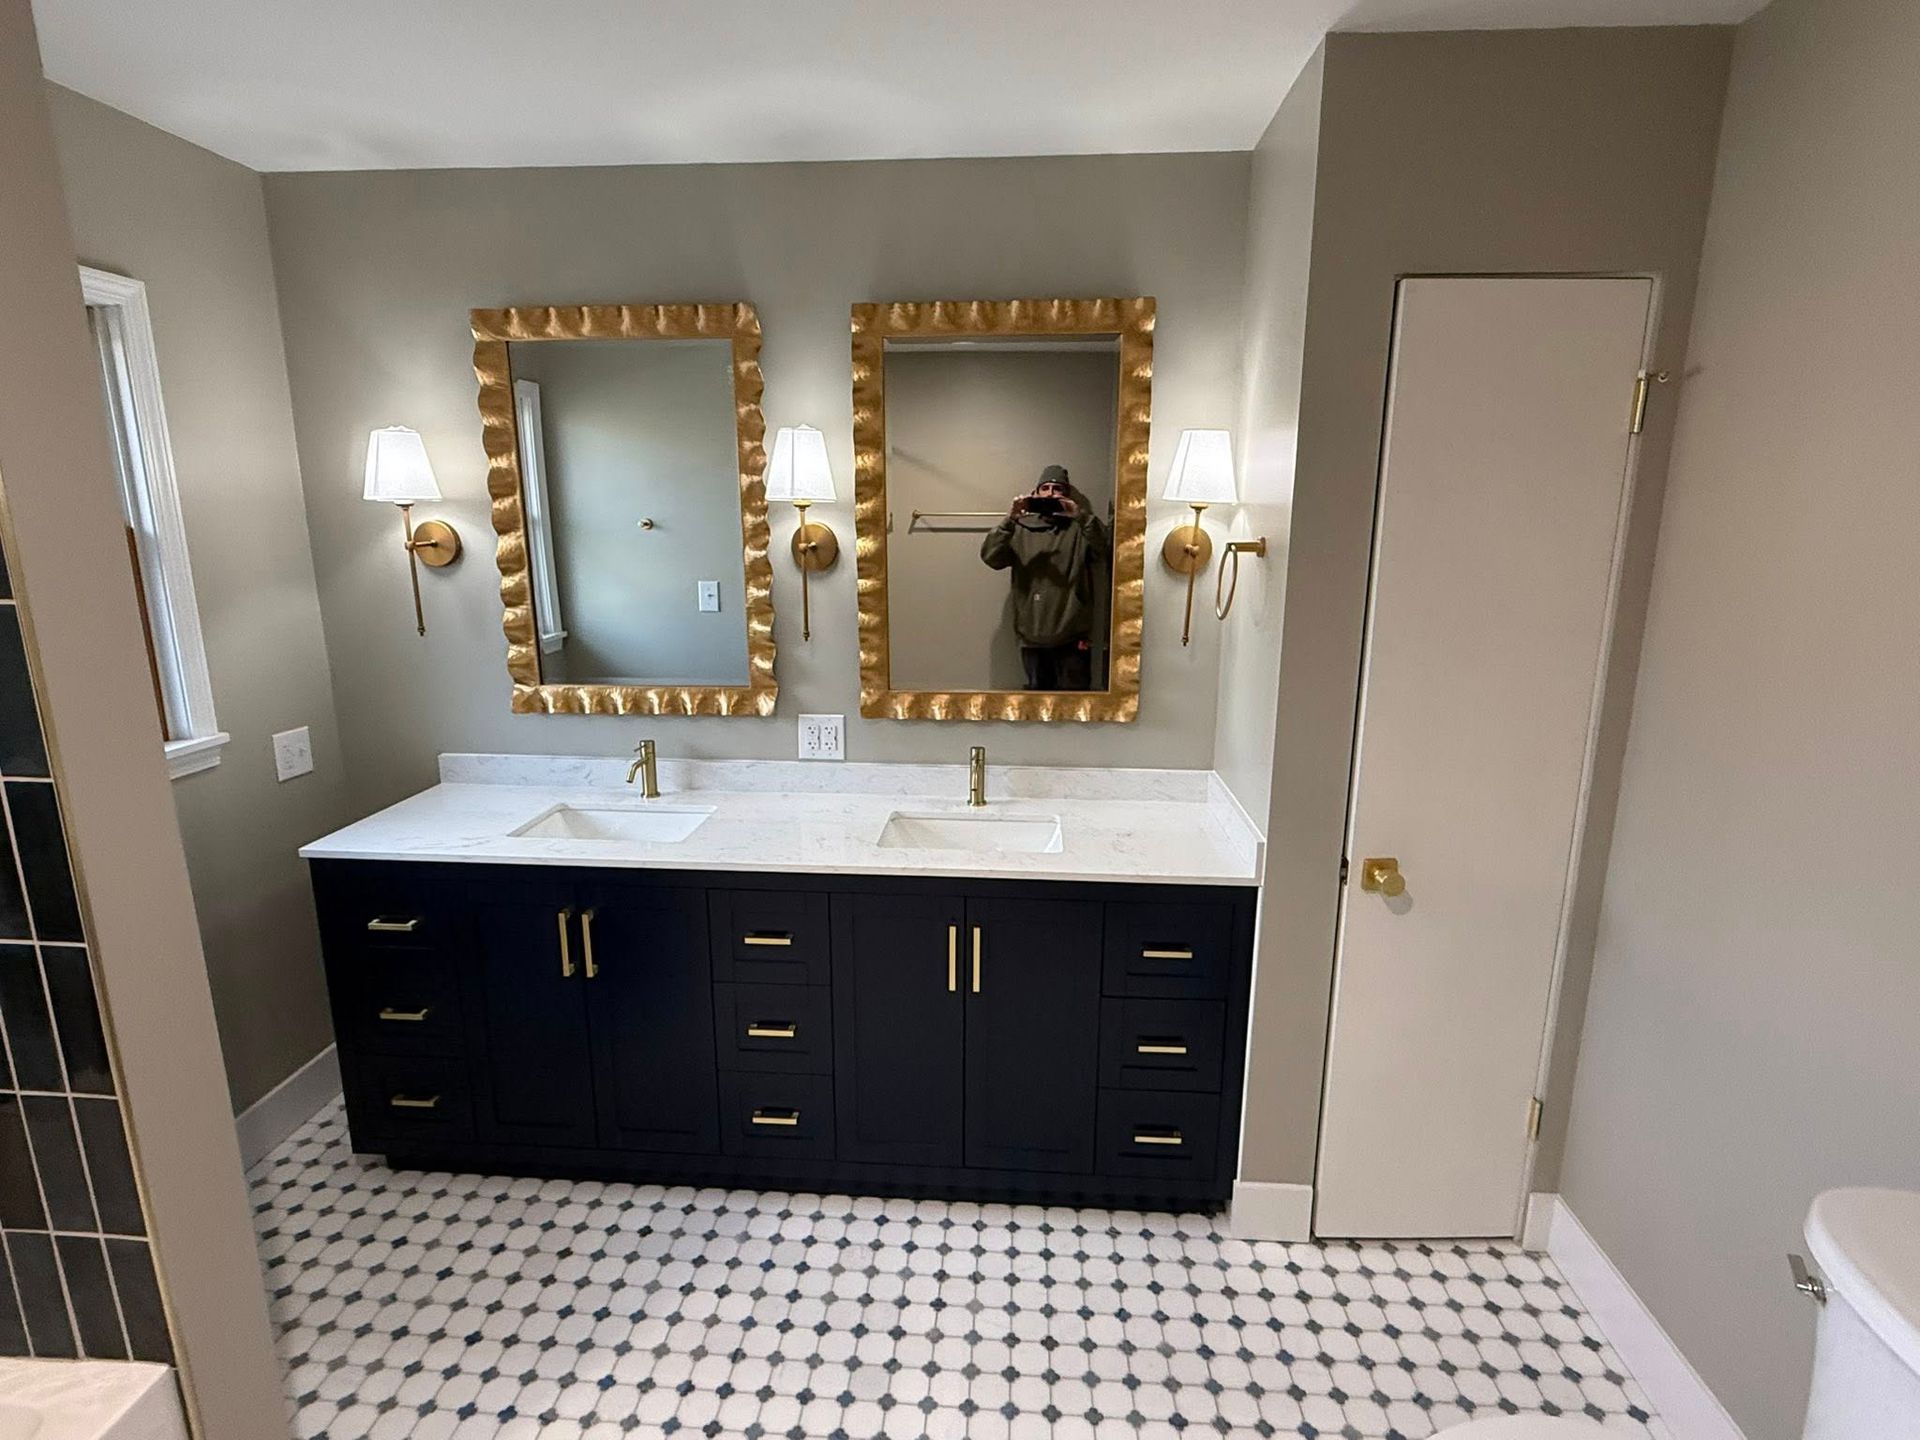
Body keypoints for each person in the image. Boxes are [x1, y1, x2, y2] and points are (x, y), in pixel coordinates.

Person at [979, 464, 1110, 691]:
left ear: (1066, 495)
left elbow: (1108, 551)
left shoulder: (1080, 529)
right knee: (1036, 709)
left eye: (1057, 489)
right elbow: (991, 558)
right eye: (1045, 488)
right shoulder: (1020, 528)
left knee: (1076, 707)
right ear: (1035, 493)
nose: (1050, 494)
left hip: (1072, 635)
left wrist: (1081, 516)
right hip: (1031, 634)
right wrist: (1010, 519)